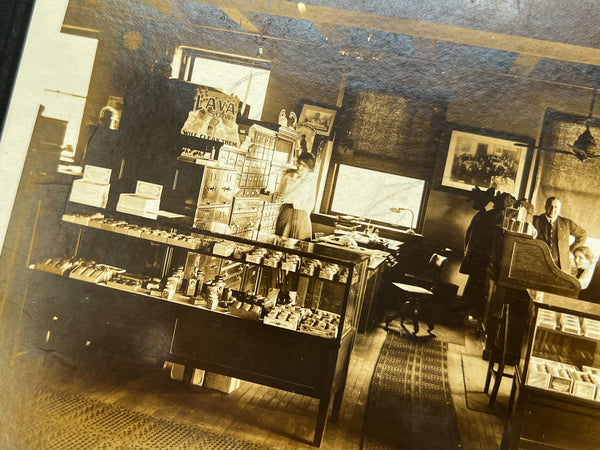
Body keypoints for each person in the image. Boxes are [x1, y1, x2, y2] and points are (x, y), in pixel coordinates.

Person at [532, 197, 587, 273]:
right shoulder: (535, 220)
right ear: (545, 206)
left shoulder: (566, 223)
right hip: (539, 264)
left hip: (562, 267)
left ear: (559, 209)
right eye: (550, 206)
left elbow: (582, 234)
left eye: (556, 207)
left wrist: (570, 250)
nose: (552, 210)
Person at [275, 152, 317, 241]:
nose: (300, 168)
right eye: (299, 164)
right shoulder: (288, 176)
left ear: (309, 168)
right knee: (281, 239)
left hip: (302, 215)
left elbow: (311, 202)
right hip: (286, 211)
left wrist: (303, 214)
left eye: (304, 166)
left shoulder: (310, 181)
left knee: (298, 242)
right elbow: (281, 193)